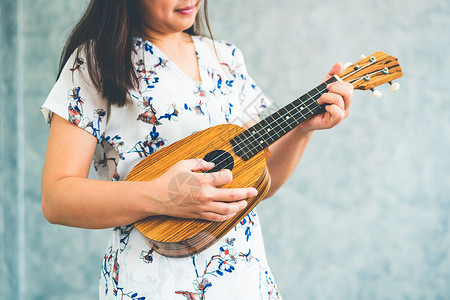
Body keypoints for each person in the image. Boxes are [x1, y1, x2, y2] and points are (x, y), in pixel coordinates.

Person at [41, 0, 353, 299]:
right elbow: (57, 198)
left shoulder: (226, 58)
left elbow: (256, 180)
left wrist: (301, 129)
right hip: (152, 284)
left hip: (242, 281)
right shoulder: (95, 62)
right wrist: (162, 195)